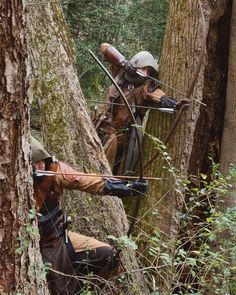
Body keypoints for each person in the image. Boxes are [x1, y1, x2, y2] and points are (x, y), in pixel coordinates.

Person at [31, 136, 147, 294]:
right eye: (35, 163)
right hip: (34, 247)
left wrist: (125, 186)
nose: (41, 165)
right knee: (61, 290)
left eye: (42, 160)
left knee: (109, 256)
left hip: (59, 238)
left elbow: (84, 180)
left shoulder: (53, 169)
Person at [93, 43, 189, 175]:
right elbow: (104, 47)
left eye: (148, 72)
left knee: (103, 173)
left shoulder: (143, 88)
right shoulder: (120, 72)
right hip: (97, 128)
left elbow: (155, 93)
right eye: (143, 69)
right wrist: (124, 62)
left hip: (115, 139)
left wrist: (173, 103)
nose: (145, 73)